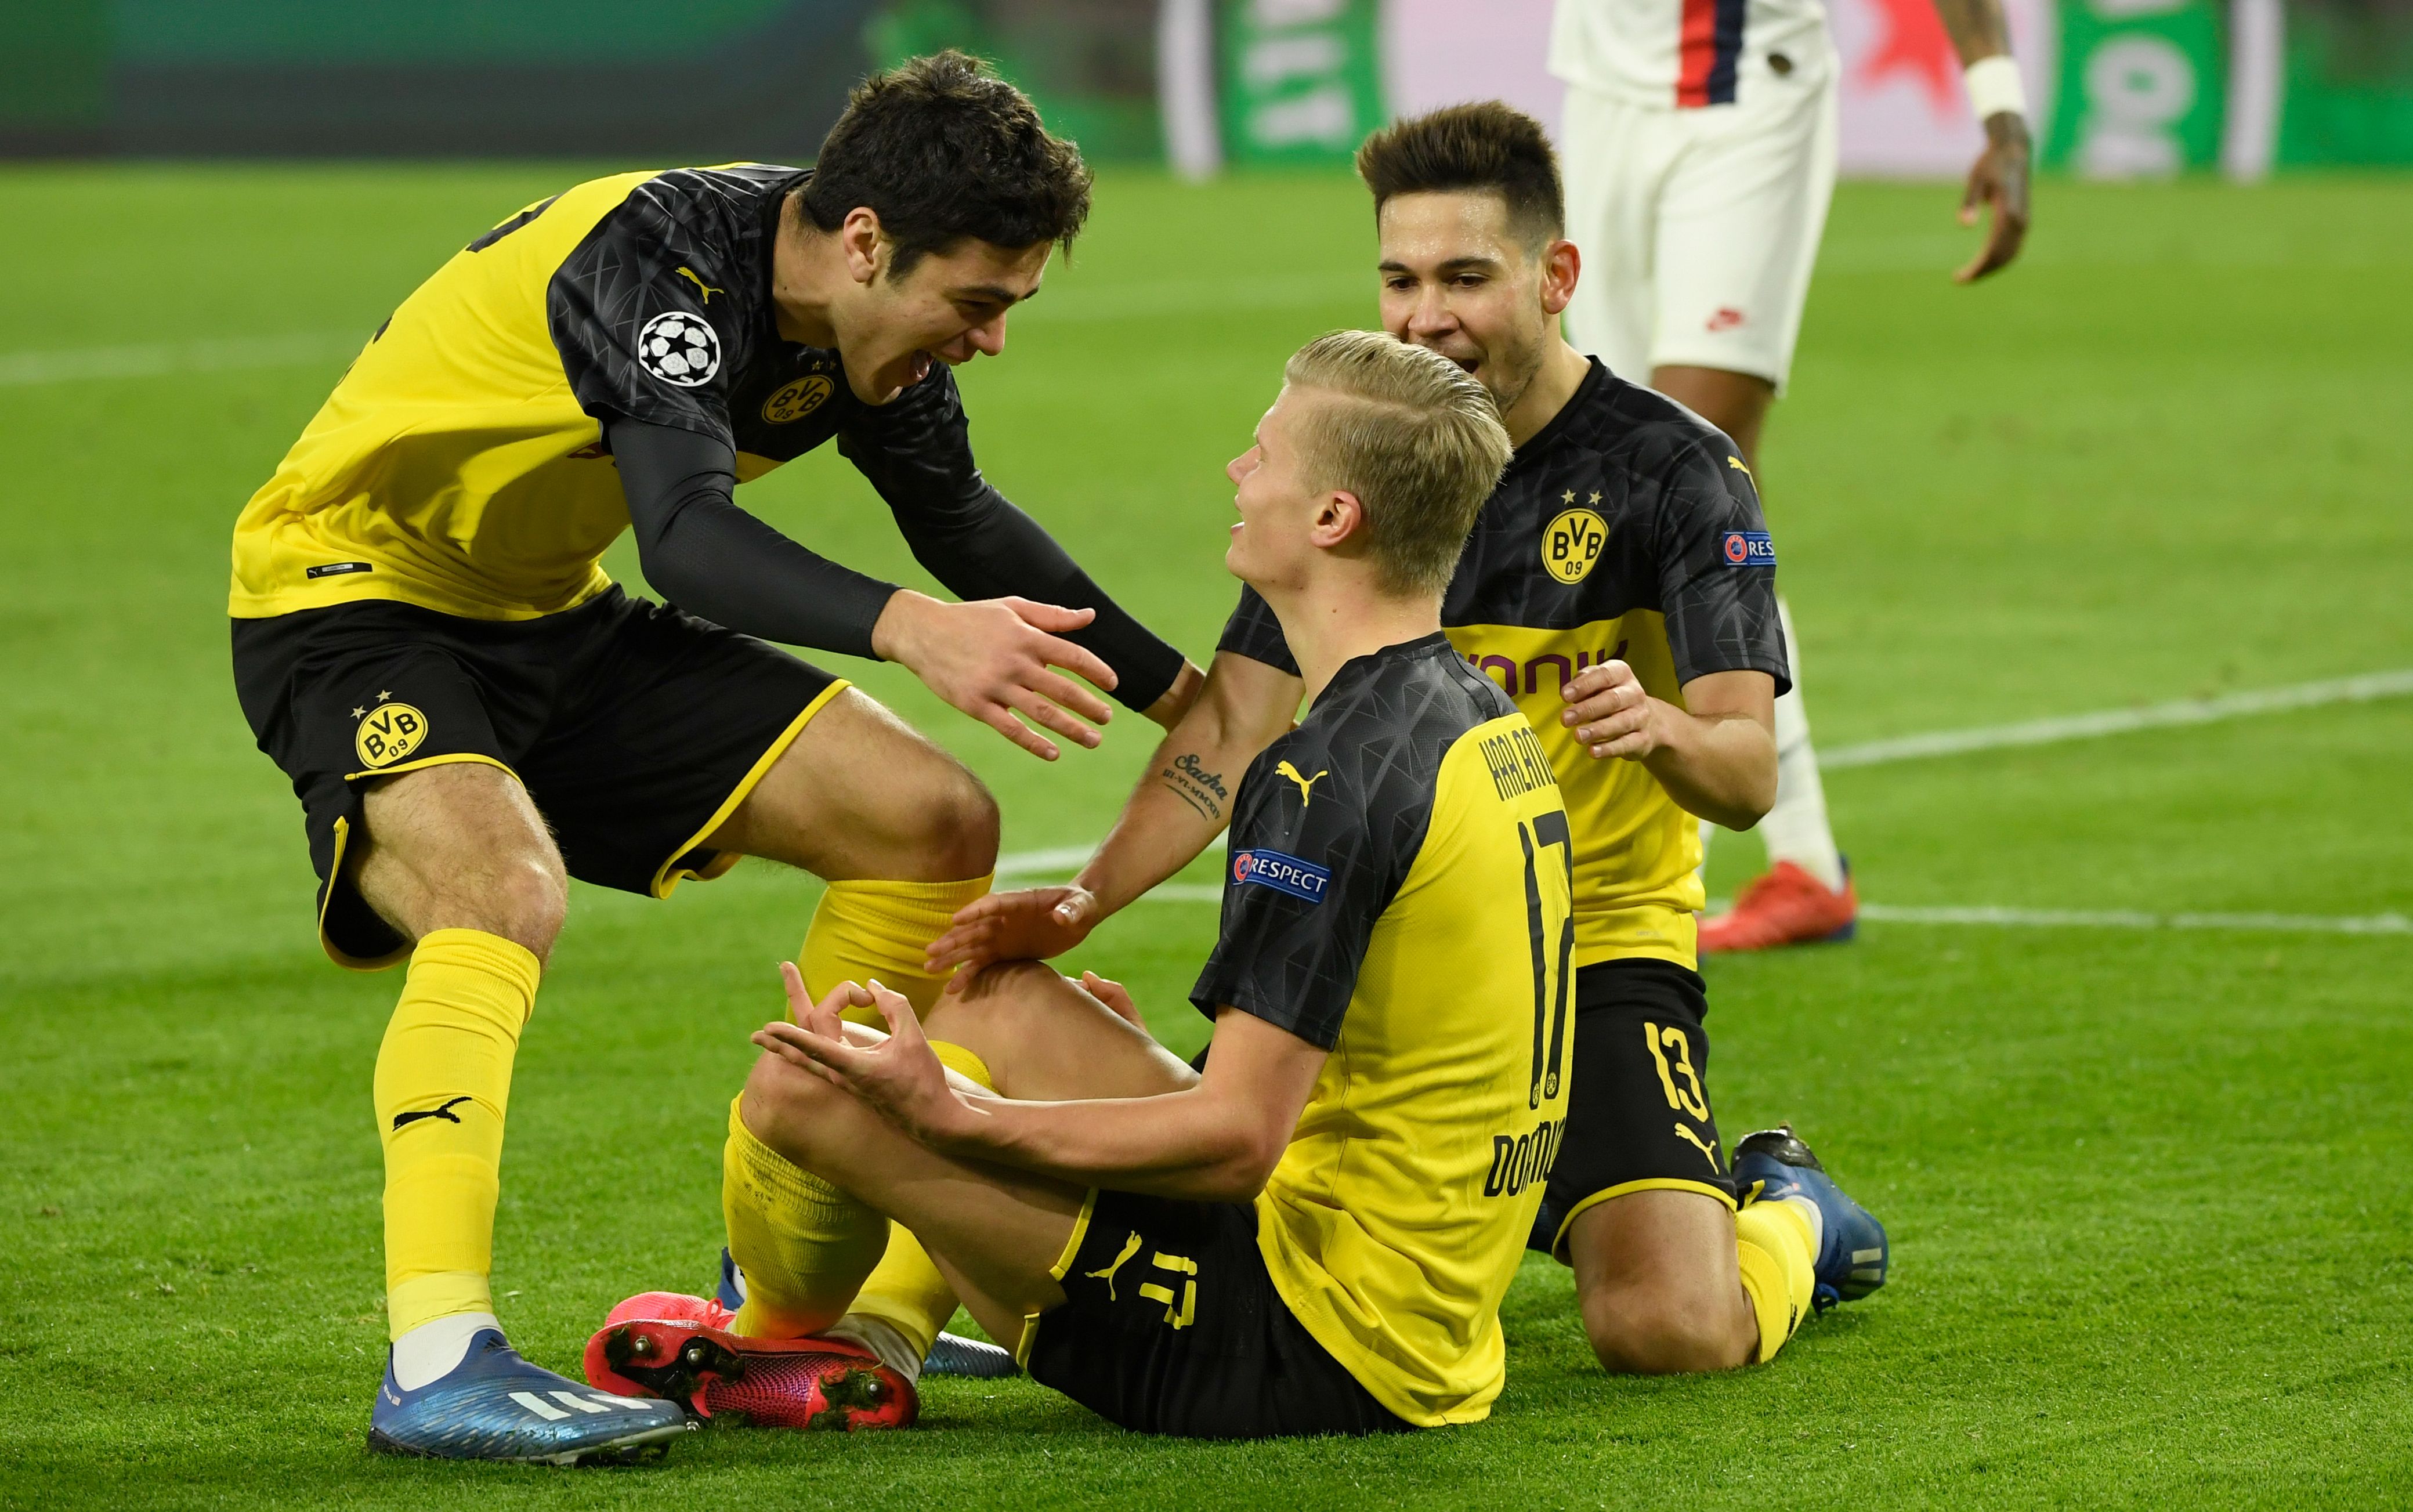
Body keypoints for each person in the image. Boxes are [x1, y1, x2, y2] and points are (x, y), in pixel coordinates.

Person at [229, 52, 1200, 1463]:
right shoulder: (660, 262)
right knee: (498, 891)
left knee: (926, 819)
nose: (989, 339)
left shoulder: (867, 325)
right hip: (349, 598)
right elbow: (683, 541)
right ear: (865, 241)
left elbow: (962, 518)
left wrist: (1192, 698)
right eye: (978, 301)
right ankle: (439, 1359)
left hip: (543, 611)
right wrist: (910, 631)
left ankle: (783, 1286)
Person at [931, 104, 1886, 1378]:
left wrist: (1658, 727)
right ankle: (873, 1297)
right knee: (1212, 1184)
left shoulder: (1674, 471)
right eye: (1399, 277)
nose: (1425, 313)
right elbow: (1229, 733)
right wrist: (1086, 900)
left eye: (1464, 278)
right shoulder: (1371, 454)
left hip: (1584, 956)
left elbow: (1748, 778)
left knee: (1671, 1330)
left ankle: (1787, 1214)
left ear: (1555, 278)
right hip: (1372, 953)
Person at [587, 330, 1572, 1438]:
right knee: (991, 996)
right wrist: (1065, 1031)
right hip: (1407, 1290)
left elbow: (1238, 1137)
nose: (1238, 477)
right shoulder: (1476, 715)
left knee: (804, 1092)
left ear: (1335, 520)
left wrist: (963, 1117)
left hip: (1305, 1349)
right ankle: (876, 1333)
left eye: (1265, 456)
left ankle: (778, 1330)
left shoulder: (1323, 775)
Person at [1550, 0, 2034, 949]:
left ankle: (1768, 857)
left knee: (1682, 455)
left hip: (1748, 98)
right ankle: (1757, 862)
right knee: (1604, 450)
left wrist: (2002, 111)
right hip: (1600, 101)